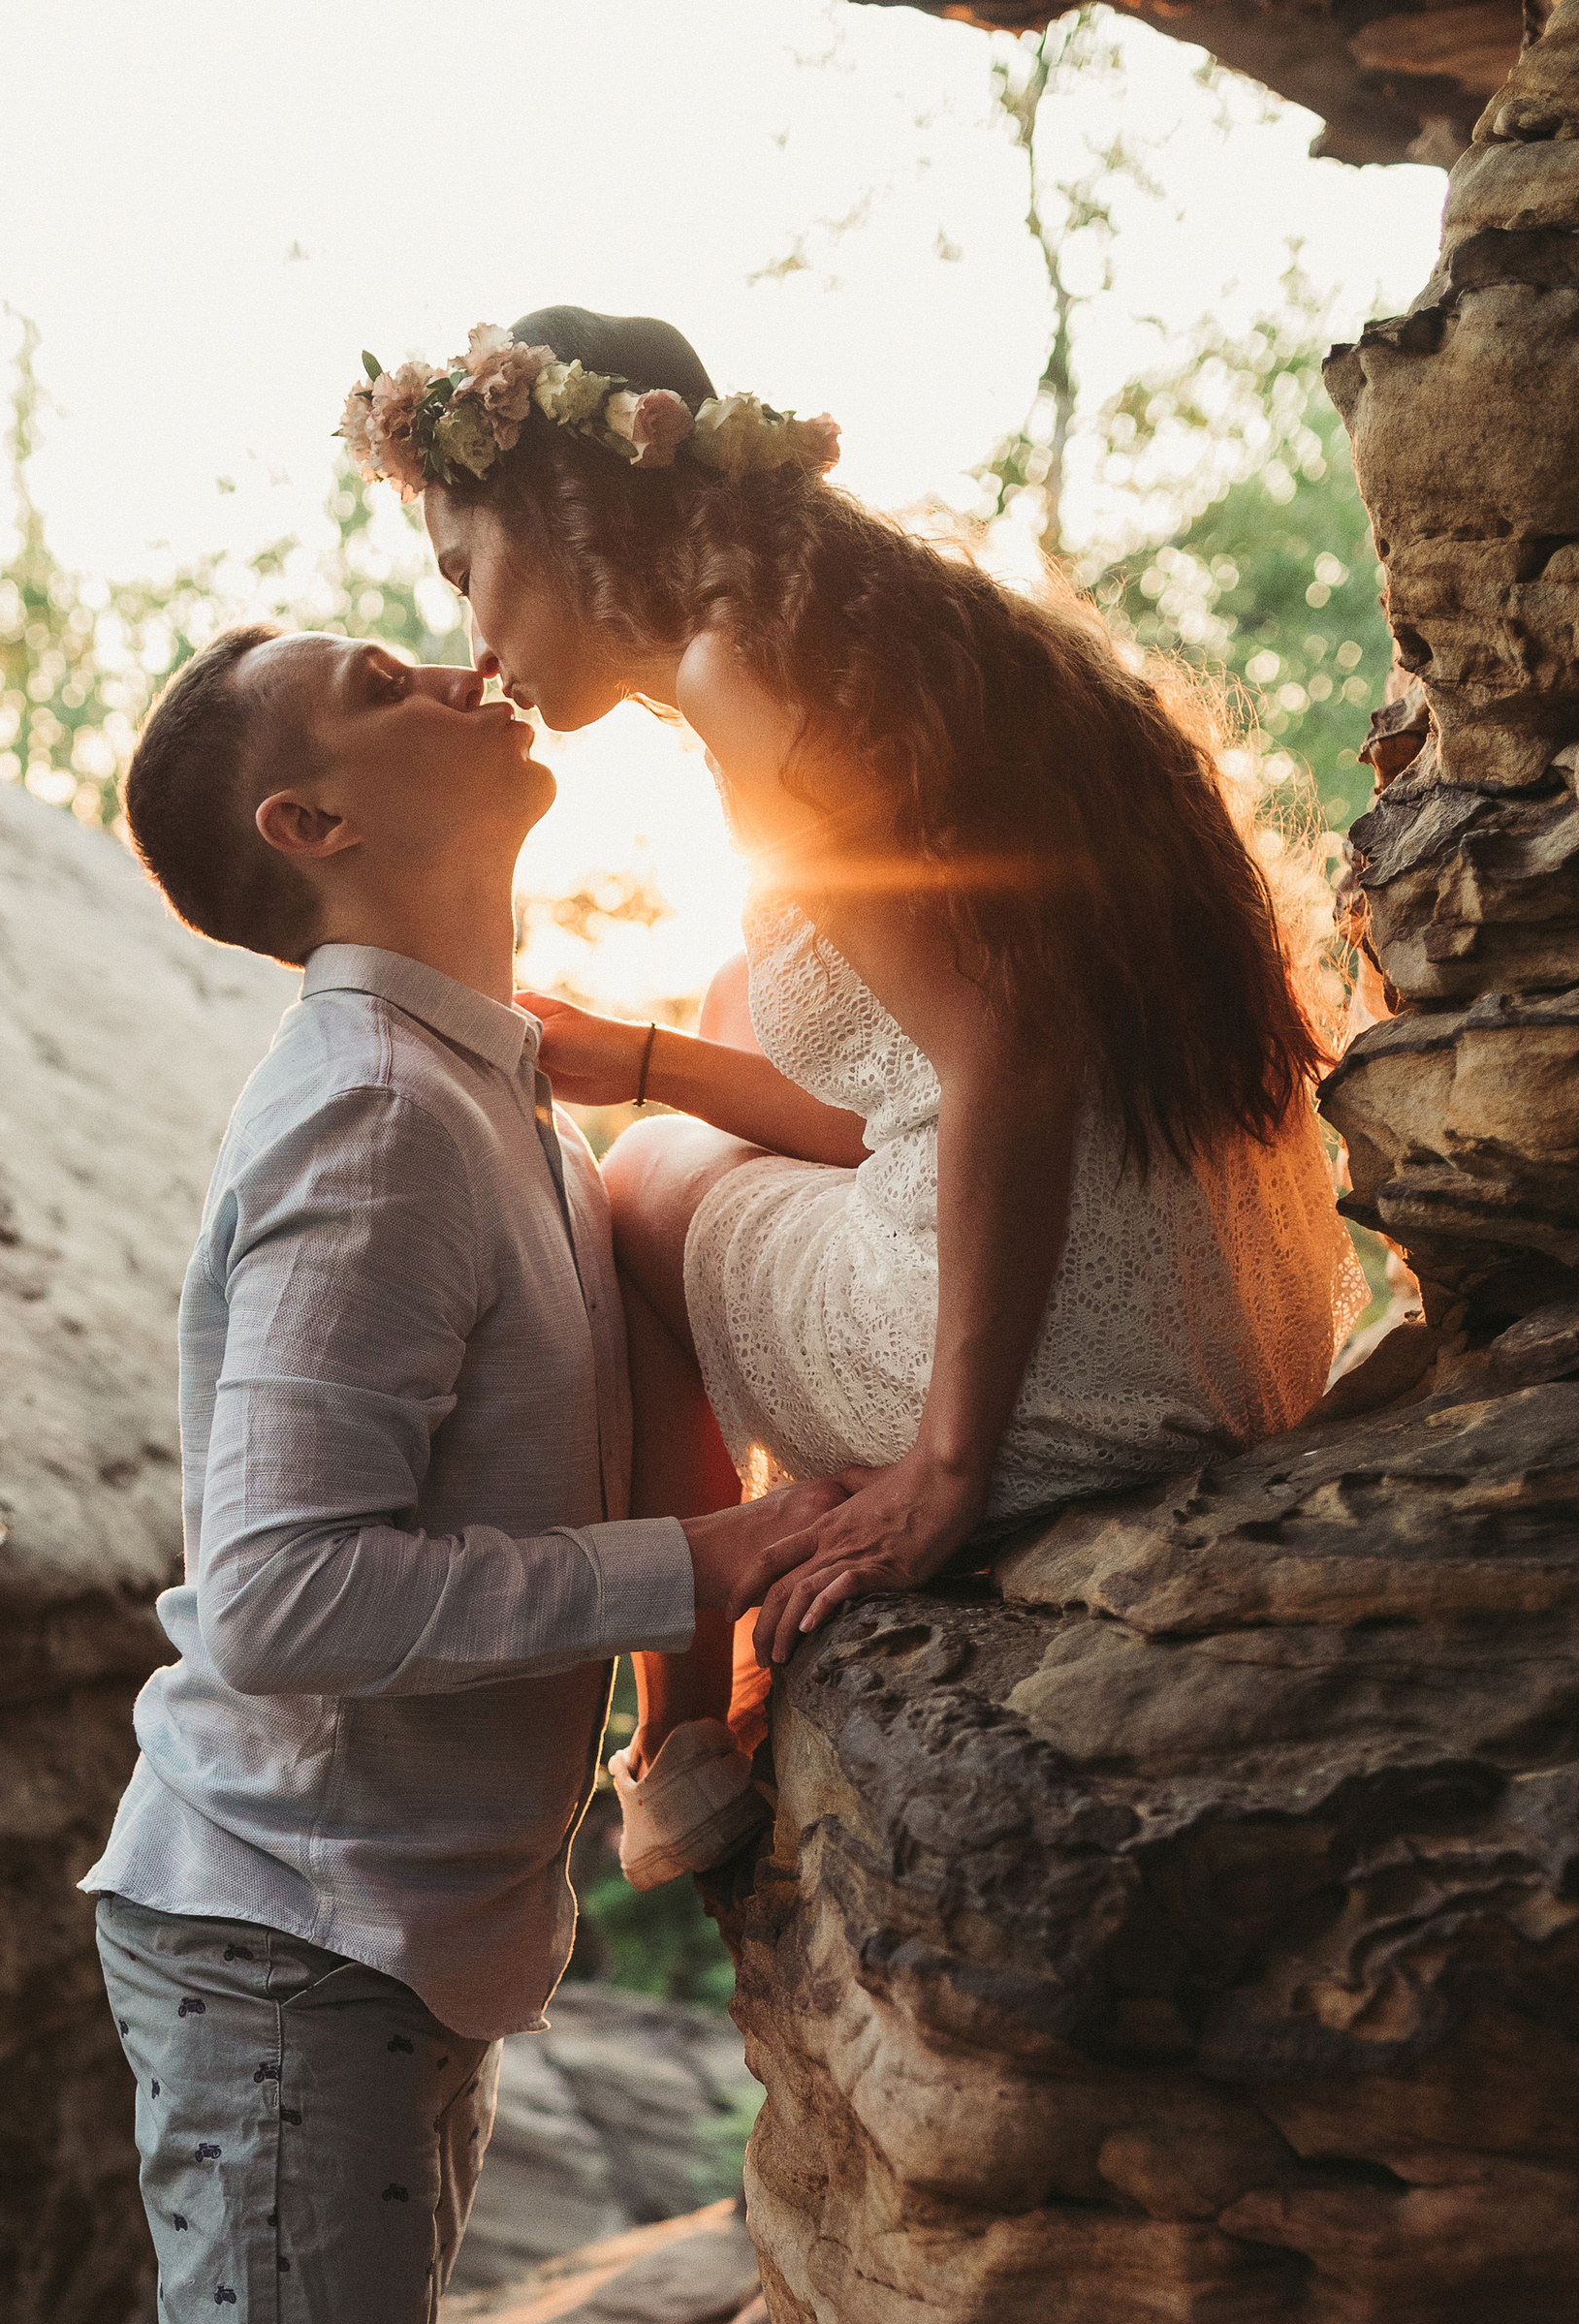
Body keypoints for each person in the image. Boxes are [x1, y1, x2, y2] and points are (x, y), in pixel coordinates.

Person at [34, 617, 848, 2324]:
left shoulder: (463, 1058)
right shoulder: (375, 1123)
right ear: (310, 829)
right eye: (382, 675)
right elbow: (275, 1592)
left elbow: (589, 1068)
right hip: (286, 1924)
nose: (461, 664)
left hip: (397, 1918)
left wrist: (699, 1075)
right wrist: (693, 1567)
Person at [341, 310, 1363, 1889]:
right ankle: (692, 1726)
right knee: (705, 1053)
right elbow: (921, 1094)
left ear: (561, 511)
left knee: (633, 1185)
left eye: (465, 569)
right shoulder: (885, 642)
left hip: (1079, 1376)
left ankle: (678, 1743)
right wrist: (647, 1060)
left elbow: (1008, 1058)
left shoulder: (741, 680)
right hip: (1234, 1327)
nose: (472, 638)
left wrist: (945, 1476)